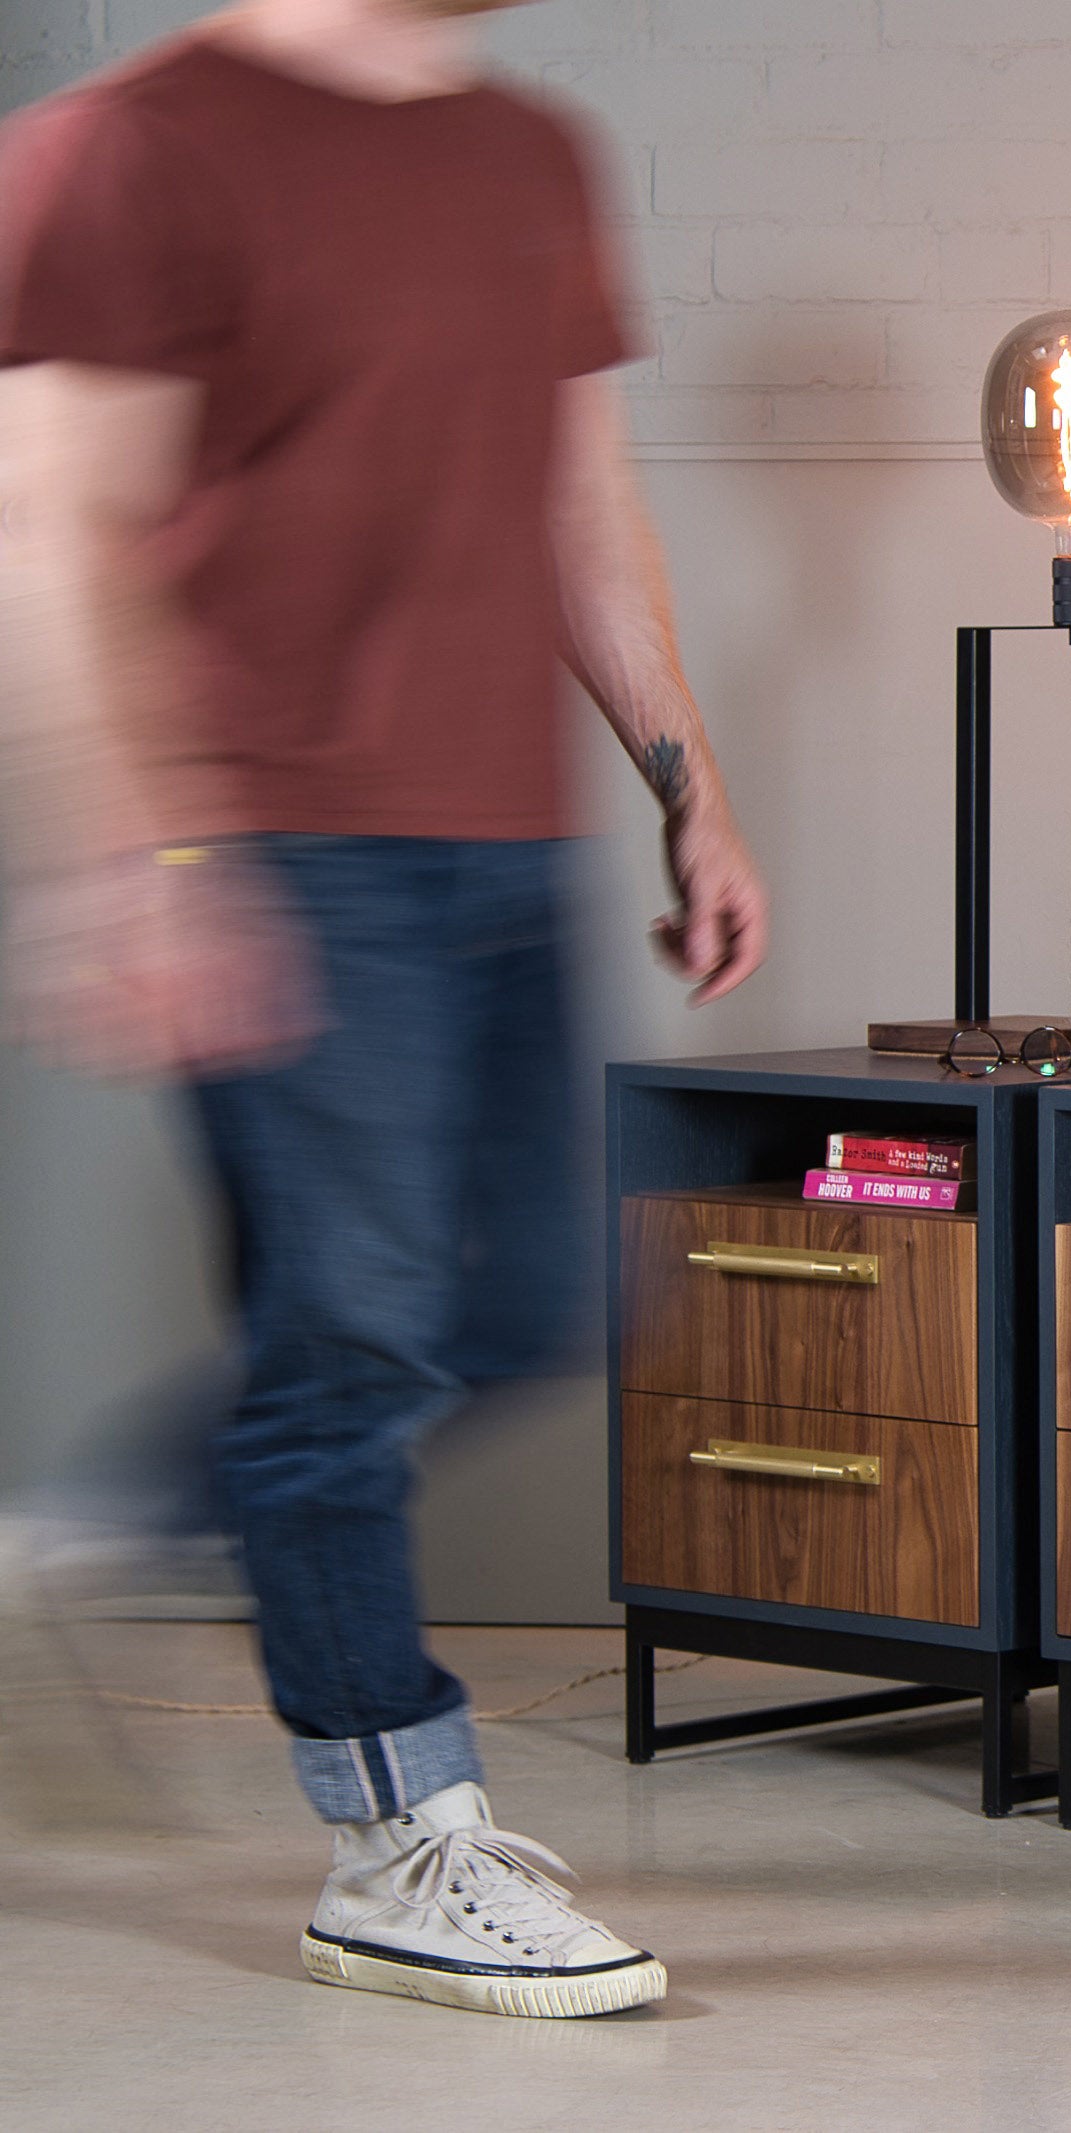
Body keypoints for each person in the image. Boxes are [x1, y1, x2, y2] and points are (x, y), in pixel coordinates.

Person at [0, 0, 766, 2019]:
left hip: (501, 839)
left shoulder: (532, 155)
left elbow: (581, 505)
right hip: (271, 842)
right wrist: (135, 859)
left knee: (542, 1299)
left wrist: (691, 791)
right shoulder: (131, 147)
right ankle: (398, 1831)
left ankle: (120, 1519)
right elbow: (53, 521)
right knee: (350, 1331)